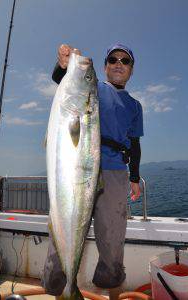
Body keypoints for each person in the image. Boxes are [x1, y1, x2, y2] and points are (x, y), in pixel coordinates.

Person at [42, 43, 143, 299]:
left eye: (125, 60)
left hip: (115, 171)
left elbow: (135, 144)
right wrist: (64, 65)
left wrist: (133, 178)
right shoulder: (94, 88)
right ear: (106, 66)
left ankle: (111, 292)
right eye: (113, 59)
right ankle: (60, 290)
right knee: (63, 230)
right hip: (77, 167)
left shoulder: (135, 105)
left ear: (131, 69)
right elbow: (64, 79)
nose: (119, 63)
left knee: (112, 239)